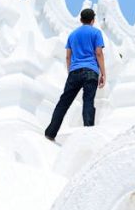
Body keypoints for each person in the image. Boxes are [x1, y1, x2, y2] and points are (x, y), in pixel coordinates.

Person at [44, 8, 106, 141]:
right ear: (93, 20)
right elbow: (99, 53)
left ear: (80, 20)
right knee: (88, 101)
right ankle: (88, 132)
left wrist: (70, 71)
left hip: (74, 71)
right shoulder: (96, 33)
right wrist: (103, 73)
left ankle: (51, 132)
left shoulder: (72, 35)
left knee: (64, 102)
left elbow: (68, 56)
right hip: (91, 71)